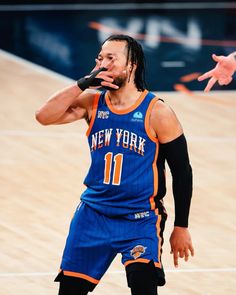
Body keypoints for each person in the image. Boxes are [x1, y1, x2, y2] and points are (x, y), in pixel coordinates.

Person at [36, 34, 194, 295]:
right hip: (93, 215)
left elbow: (182, 171)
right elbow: (43, 116)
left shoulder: (157, 111)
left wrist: (182, 226)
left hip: (140, 218)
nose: (103, 64)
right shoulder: (92, 102)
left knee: (144, 288)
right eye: (100, 58)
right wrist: (82, 84)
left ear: (131, 65)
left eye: (111, 58)